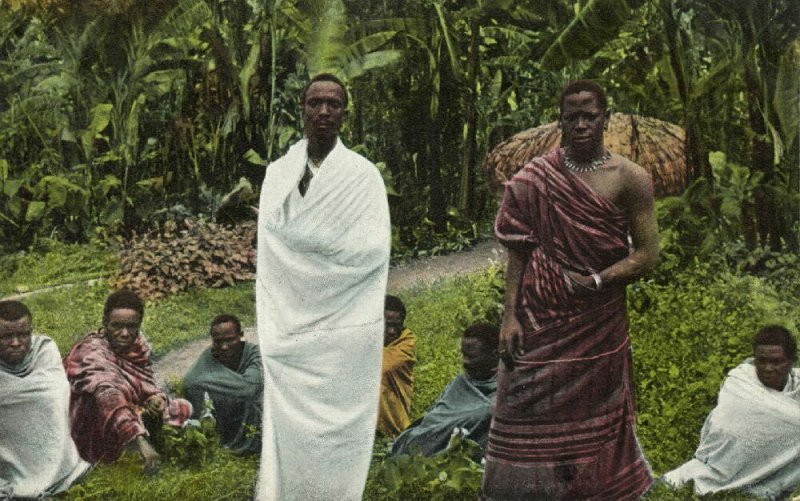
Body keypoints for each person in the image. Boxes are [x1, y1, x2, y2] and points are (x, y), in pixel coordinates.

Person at [482, 80, 660, 500]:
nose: (580, 124)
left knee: (597, 413)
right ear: (560, 120)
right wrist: (509, 316)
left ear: (606, 118)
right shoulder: (534, 178)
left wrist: (598, 280)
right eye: (571, 116)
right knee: (518, 404)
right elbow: (517, 254)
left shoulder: (630, 179)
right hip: (539, 316)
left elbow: (648, 254)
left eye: (589, 115)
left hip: (598, 321)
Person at [255, 73, 391, 500]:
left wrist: (309, 242)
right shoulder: (278, 174)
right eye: (316, 103)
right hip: (289, 321)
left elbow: (371, 251)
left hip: (344, 322)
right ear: (303, 109)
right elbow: (271, 245)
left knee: (340, 422)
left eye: (333, 104)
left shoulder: (362, 177)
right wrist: (309, 246)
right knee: (288, 422)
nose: (324, 112)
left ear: (345, 113)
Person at [64, 289, 192, 475]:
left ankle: (140, 431)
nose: (124, 333)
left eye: (132, 327)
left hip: (128, 409)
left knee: (182, 407)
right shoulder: (91, 352)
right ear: (105, 324)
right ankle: (133, 441)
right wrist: (140, 441)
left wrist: (155, 398)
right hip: (95, 419)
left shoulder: (138, 346)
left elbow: (147, 381)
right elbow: (108, 394)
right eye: (116, 326)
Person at [663, 326, 800, 499]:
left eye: (776, 362)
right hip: (723, 461)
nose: (767, 368)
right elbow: (724, 425)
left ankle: (768, 482)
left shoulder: (797, 386)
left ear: (792, 361)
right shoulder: (741, 381)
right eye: (761, 361)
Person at [0, 300, 89, 499]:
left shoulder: (43, 347)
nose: (16, 343)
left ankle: (54, 471)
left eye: (23, 334)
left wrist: (12, 396)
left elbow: (54, 393)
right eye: (6, 337)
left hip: (51, 447)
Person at [391, 322, 499, 461]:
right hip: (428, 436)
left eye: (471, 356)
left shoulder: (507, 386)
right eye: (463, 355)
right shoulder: (462, 382)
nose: (465, 362)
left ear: (494, 354)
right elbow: (437, 415)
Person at [183, 314, 263, 454]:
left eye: (230, 340)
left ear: (241, 335)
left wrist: (216, 384)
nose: (224, 347)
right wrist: (234, 387)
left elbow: (250, 388)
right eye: (218, 341)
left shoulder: (253, 353)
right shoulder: (211, 355)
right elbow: (190, 382)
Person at [377, 295, 416, 437]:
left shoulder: (406, 342)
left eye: (397, 325)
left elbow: (383, 367)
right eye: (387, 325)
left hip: (394, 420)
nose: (392, 332)